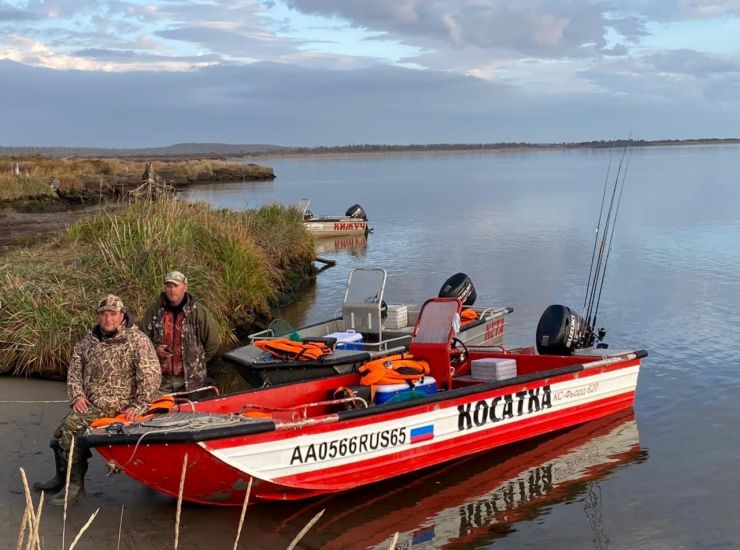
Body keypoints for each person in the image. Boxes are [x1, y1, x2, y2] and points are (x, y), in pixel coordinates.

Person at [34, 295, 161, 505]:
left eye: (112, 314)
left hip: (117, 403)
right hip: (91, 402)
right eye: (103, 314)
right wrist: (77, 395)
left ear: (121, 316)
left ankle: (75, 488)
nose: (108, 319)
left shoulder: (137, 340)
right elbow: (74, 369)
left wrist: (139, 405)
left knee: (70, 433)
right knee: (57, 435)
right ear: (98, 316)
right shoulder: (89, 341)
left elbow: (151, 375)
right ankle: (62, 479)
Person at [139, 271, 220, 394]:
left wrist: (196, 362)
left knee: (190, 411)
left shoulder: (199, 312)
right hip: (160, 380)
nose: (172, 290)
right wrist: (155, 350)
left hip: (191, 381)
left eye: (176, 286)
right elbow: (141, 339)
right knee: (158, 411)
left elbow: (213, 342)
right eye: (168, 286)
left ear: (185, 288)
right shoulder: (154, 311)